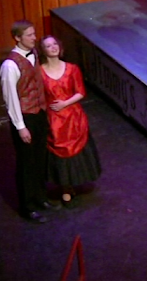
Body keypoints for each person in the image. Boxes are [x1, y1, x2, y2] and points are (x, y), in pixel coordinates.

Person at [1, 20, 58, 223]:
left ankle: (40, 196)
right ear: (18, 38)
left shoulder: (33, 55)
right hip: (24, 117)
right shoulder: (10, 65)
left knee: (40, 157)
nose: (35, 38)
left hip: (39, 112)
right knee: (26, 163)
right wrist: (21, 126)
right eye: (30, 35)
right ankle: (27, 206)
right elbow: (11, 98)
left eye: (34, 34)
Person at [39, 36, 102, 208]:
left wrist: (65, 103)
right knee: (58, 150)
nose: (52, 47)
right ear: (43, 51)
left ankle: (73, 183)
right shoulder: (40, 72)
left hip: (72, 117)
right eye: (48, 46)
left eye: (54, 44)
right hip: (54, 120)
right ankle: (65, 187)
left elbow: (80, 91)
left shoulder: (72, 68)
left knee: (76, 150)